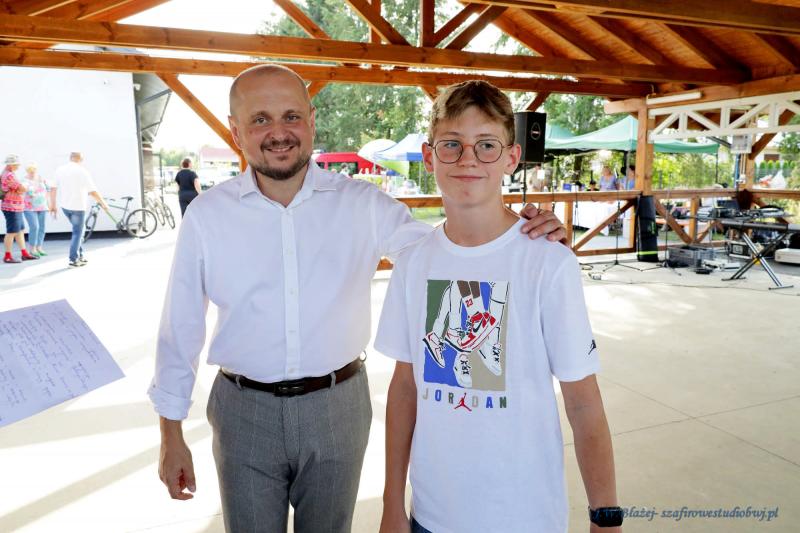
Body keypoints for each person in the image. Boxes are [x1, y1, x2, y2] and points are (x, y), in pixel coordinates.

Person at [149, 65, 567, 533]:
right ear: (235, 129)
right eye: (260, 119)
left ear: (311, 120)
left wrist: (523, 234)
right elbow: (180, 325)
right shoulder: (208, 216)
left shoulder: (362, 203)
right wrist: (170, 432)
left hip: (338, 405)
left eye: (291, 116)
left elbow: (443, 252)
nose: (279, 132)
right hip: (243, 411)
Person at [376, 81, 621, 533]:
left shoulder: (548, 261)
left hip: (524, 518)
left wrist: (605, 516)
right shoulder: (412, 264)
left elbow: (583, 402)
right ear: (429, 157)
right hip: (431, 516)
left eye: (486, 145)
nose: (468, 159)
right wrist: (392, 502)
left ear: (511, 158)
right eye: (452, 144)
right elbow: (405, 389)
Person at [49, 152, 109, 268]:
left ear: (70, 158)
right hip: (78, 207)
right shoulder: (82, 171)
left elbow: (53, 188)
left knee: (79, 231)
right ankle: (73, 260)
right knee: (78, 233)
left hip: (65, 207)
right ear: (81, 159)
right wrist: (103, 203)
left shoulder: (60, 170)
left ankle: (80, 256)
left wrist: (53, 205)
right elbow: (92, 191)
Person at [2, 154, 39, 264]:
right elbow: (22, 188)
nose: (18, 166)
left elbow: (19, 189)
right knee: (12, 232)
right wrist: (24, 187)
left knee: (20, 230)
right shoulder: (9, 175)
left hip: (16, 207)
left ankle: (24, 254)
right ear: (11, 165)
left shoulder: (9, 173)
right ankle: (7, 256)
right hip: (11, 207)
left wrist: (21, 188)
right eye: (17, 164)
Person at [22, 162, 50, 257]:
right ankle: (32, 248)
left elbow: (48, 189)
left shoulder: (41, 178)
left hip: (42, 206)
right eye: (30, 171)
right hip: (29, 207)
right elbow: (23, 191)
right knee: (34, 227)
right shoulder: (24, 180)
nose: (32, 172)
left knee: (42, 227)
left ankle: (39, 247)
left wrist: (48, 203)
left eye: (34, 170)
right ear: (27, 171)